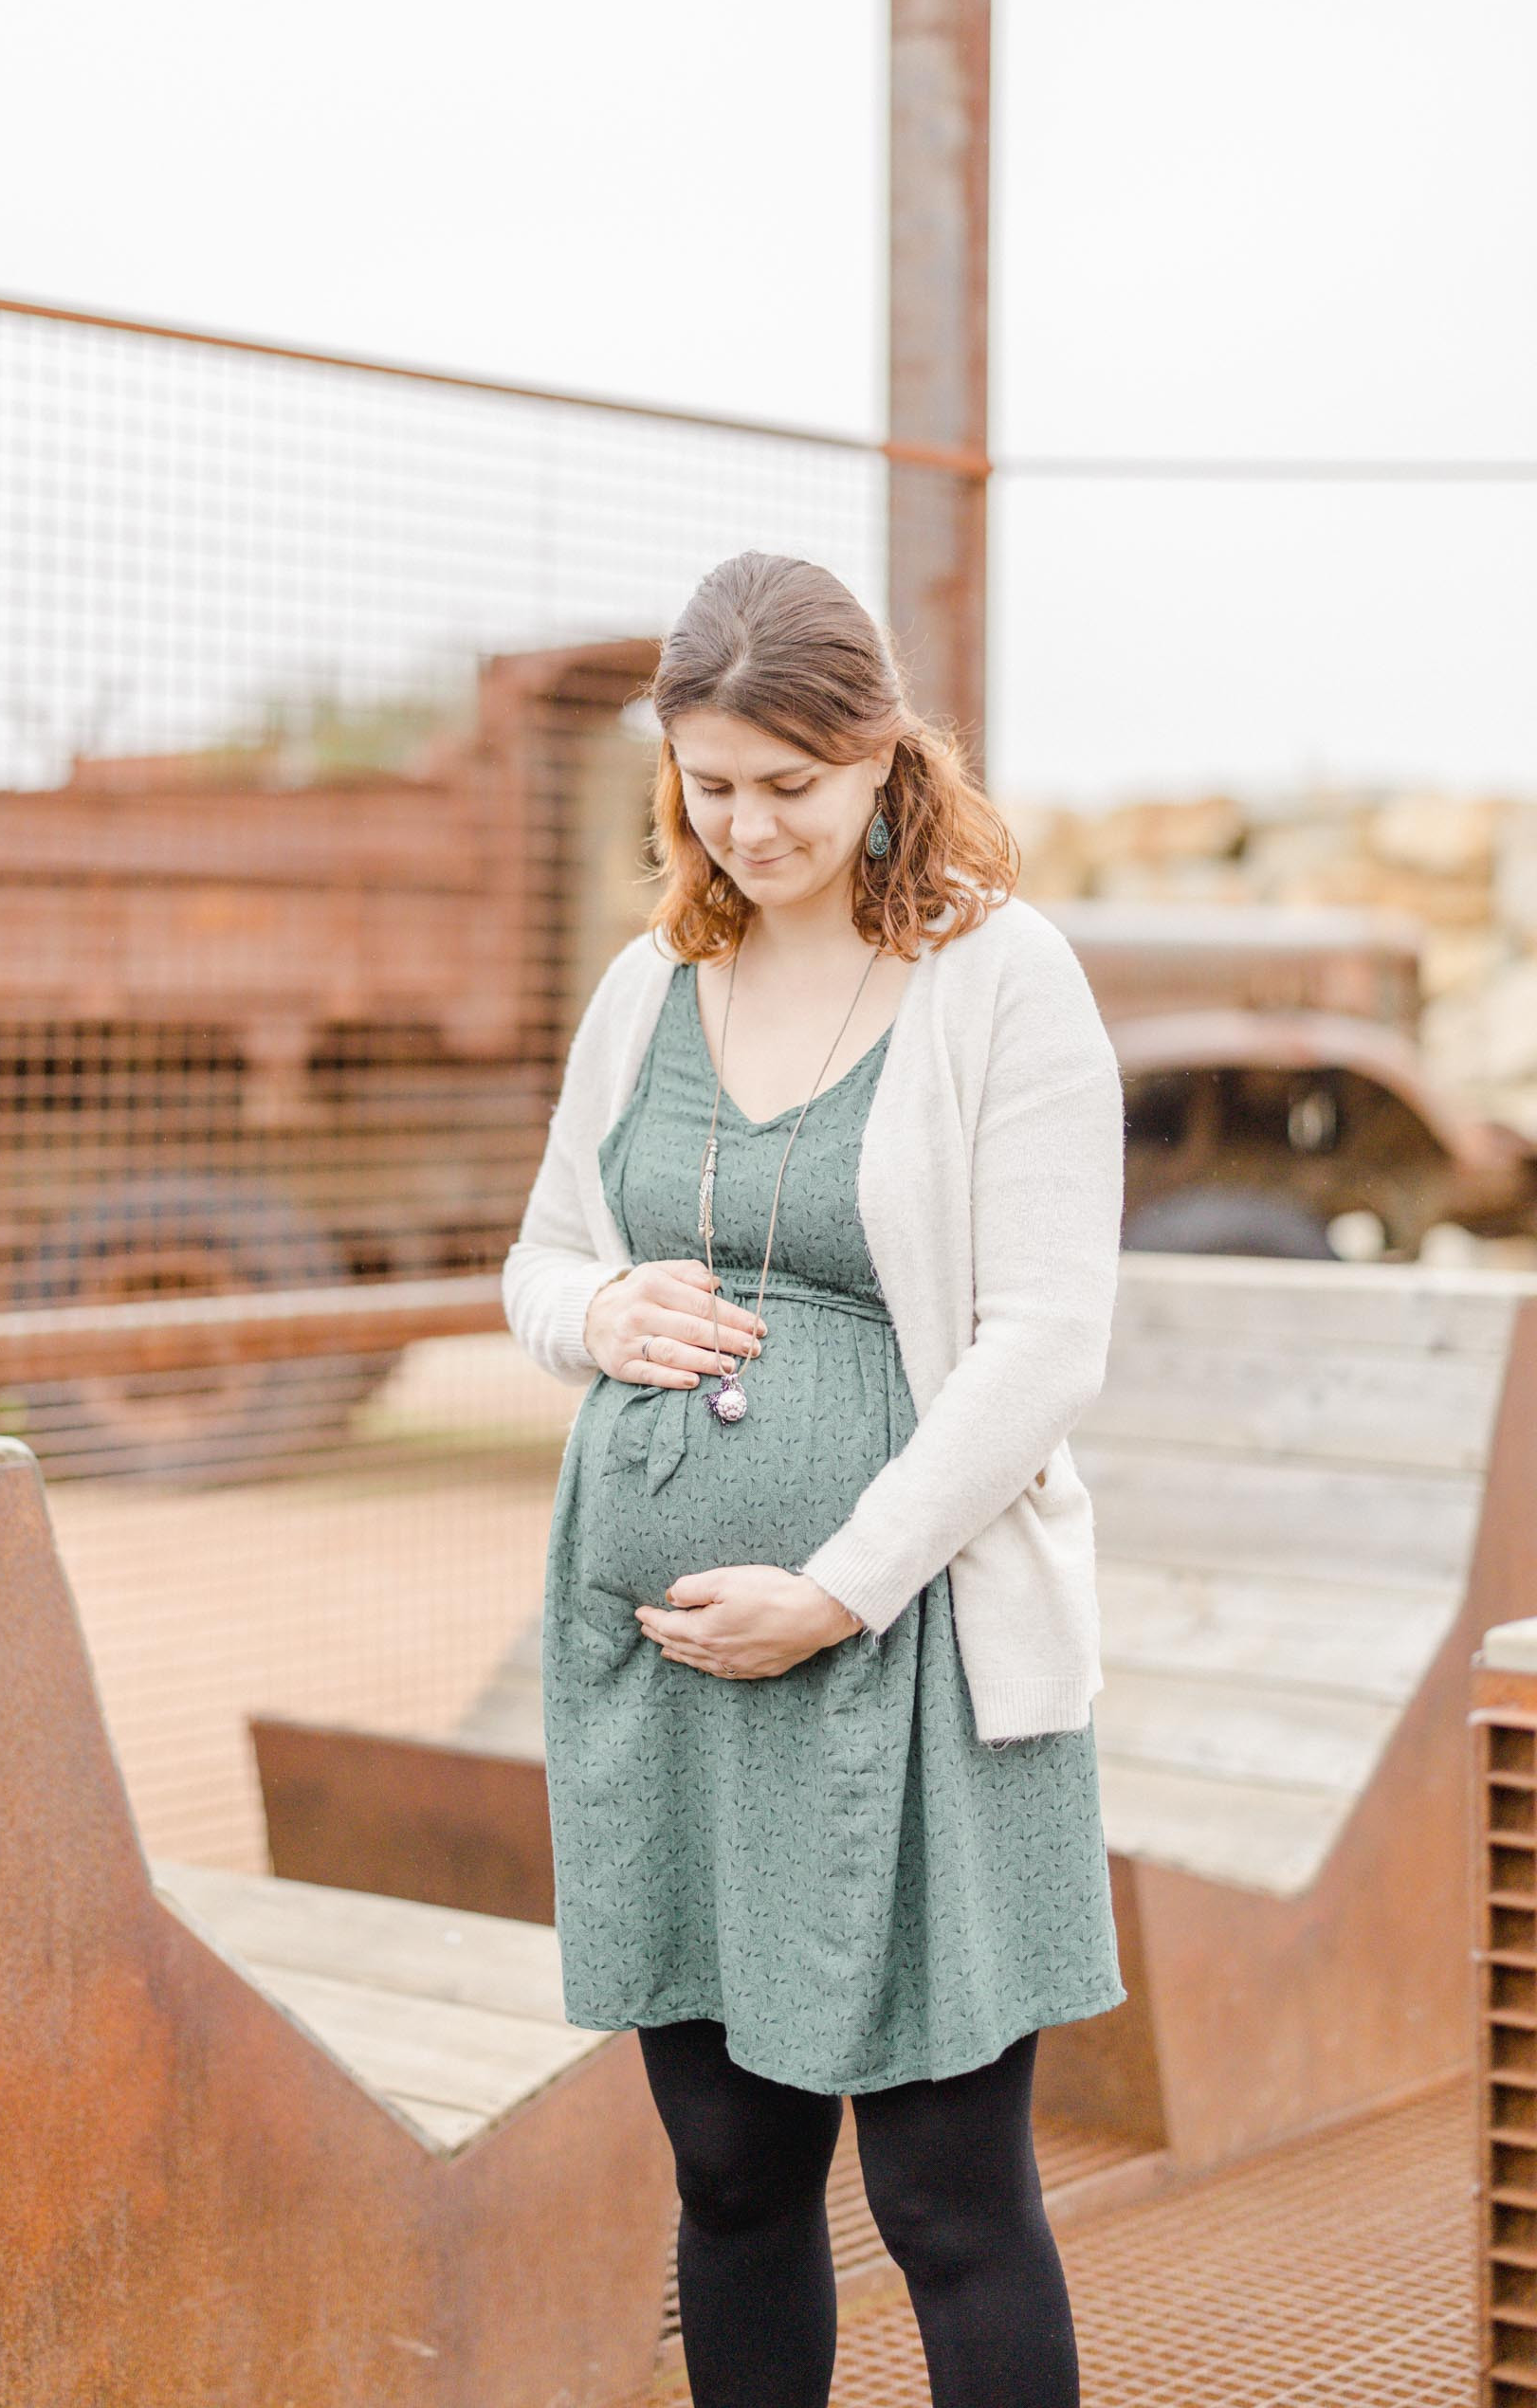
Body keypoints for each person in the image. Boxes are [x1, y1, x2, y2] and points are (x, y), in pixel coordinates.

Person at [501, 551, 1125, 2408]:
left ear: (882, 761)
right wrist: (601, 1309)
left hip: (907, 1661)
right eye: (712, 785)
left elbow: (1043, 1345)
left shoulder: (1000, 982)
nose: (751, 826)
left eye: (793, 783)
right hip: (670, 1681)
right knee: (731, 2172)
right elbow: (534, 1258)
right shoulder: (648, 984)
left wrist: (835, 1587)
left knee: (946, 2199)